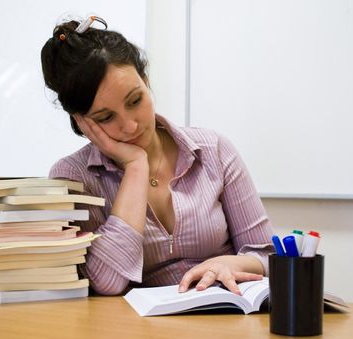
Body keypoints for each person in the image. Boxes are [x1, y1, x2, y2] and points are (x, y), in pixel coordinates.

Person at [41, 16, 274, 296]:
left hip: (227, 321)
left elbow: (266, 253)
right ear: (82, 122)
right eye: (106, 117)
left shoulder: (214, 150)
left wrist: (228, 262)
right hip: (139, 335)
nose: (130, 125)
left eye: (135, 100)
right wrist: (136, 167)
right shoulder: (73, 178)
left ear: (146, 80)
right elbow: (106, 283)